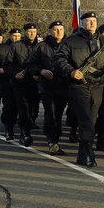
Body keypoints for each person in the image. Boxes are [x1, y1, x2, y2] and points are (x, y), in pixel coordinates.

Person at [54, 12, 104, 167]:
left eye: (94, 21)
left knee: (91, 118)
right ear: (81, 23)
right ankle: (89, 151)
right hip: (79, 85)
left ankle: (82, 152)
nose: (91, 23)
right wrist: (71, 71)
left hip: (99, 84)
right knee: (85, 118)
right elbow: (59, 59)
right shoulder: (70, 41)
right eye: (88, 21)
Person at [27, 20, 68, 155]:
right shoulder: (41, 46)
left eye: (61, 29)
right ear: (50, 31)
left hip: (63, 85)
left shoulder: (68, 45)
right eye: (55, 29)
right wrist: (41, 71)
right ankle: (52, 141)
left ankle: (55, 137)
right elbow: (30, 65)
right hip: (47, 86)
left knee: (59, 114)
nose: (58, 32)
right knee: (50, 113)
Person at [3, 22, 40, 146]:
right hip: (18, 82)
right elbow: (7, 63)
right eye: (30, 31)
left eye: (34, 32)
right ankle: (17, 131)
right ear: (25, 32)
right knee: (16, 107)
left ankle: (27, 129)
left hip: (34, 82)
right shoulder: (16, 46)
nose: (32, 34)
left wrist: (37, 73)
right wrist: (15, 74)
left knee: (31, 108)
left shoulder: (40, 46)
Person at [0, 28, 21, 140]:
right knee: (3, 104)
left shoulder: (23, 47)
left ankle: (15, 127)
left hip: (18, 81)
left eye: (18, 36)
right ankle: (4, 127)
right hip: (3, 81)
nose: (16, 38)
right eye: (14, 36)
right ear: (10, 36)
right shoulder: (1, 48)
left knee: (16, 106)